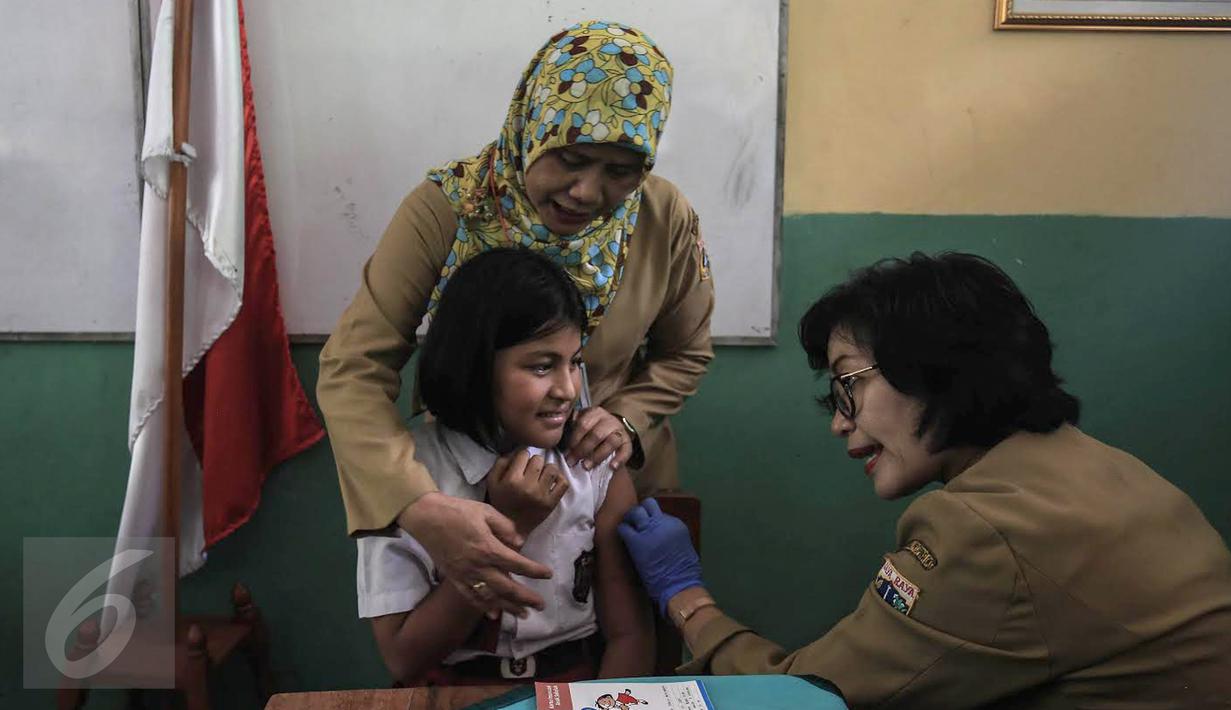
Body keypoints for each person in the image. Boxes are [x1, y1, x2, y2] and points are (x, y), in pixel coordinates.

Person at [618, 252, 1231, 707]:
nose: (837, 422)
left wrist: (687, 600)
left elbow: (810, 698)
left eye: (848, 384)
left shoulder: (984, 530)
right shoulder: (1101, 467)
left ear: (936, 369)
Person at [318, 20, 713, 619]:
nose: (587, 191)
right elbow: (353, 366)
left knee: (625, 655)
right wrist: (418, 505)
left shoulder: (662, 216)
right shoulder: (450, 208)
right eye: (572, 159)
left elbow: (685, 352)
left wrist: (627, 421)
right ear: (533, 126)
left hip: (613, 484)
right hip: (466, 486)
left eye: (620, 170)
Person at [357, 248, 653, 684]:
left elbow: (630, 637)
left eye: (574, 363)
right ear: (475, 366)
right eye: (541, 366)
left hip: (575, 683)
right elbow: (404, 658)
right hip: (451, 690)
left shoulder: (593, 462)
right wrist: (510, 527)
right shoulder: (406, 477)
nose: (568, 389)